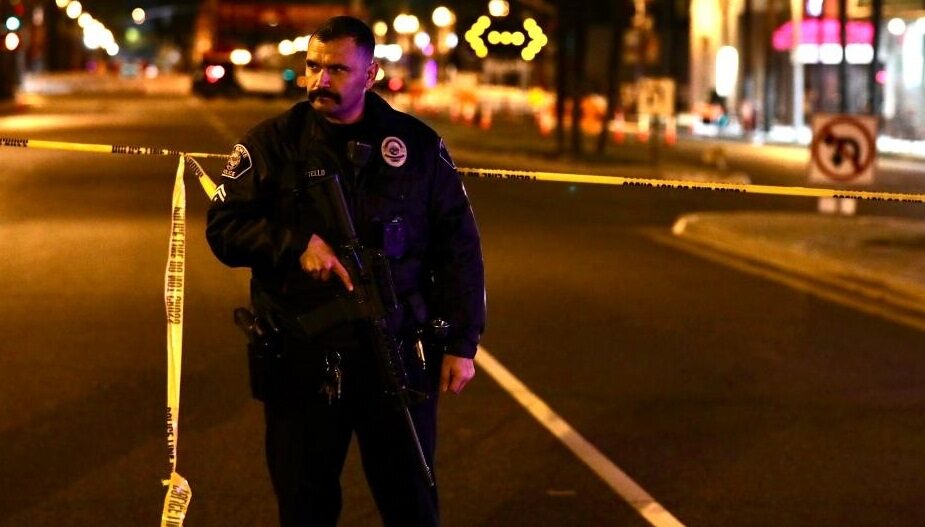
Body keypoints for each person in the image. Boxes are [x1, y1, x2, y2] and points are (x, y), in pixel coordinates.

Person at [205, 16, 485, 527]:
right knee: (305, 505)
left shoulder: (416, 145)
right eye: (313, 66)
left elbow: (458, 246)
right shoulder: (274, 143)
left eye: (336, 69)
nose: (320, 81)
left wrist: (462, 342)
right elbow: (223, 228)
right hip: (302, 359)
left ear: (370, 73)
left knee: (412, 504)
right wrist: (294, 245)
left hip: (397, 352)